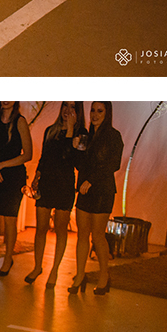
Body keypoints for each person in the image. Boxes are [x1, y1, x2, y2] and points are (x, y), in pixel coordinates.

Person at [70, 102, 124, 295]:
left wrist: (91, 180)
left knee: (98, 235)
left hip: (102, 190)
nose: (94, 114)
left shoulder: (113, 135)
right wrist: (75, 148)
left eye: (99, 111)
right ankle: (79, 275)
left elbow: (113, 164)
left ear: (107, 113)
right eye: (92, 110)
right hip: (84, 189)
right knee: (82, 234)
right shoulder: (86, 135)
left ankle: (104, 276)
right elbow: (79, 164)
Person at [25, 102, 81, 286]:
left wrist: (71, 129)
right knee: (41, 226)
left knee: (60, 228)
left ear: (77, 111)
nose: (67, 110)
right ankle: (37, 266)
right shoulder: (51, 130)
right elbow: (44, 157)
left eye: (72, 107)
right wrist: (37, 175)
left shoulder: (81, 133)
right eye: (65, 105)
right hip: (47, 182)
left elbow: (71, 158)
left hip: (64, 184)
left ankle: (55, 270)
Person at [0, 102, 32, 276]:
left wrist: (1, 165)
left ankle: (8, 258)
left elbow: (28, 154)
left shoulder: (20, 121)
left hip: (14, 174)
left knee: (10, 219)